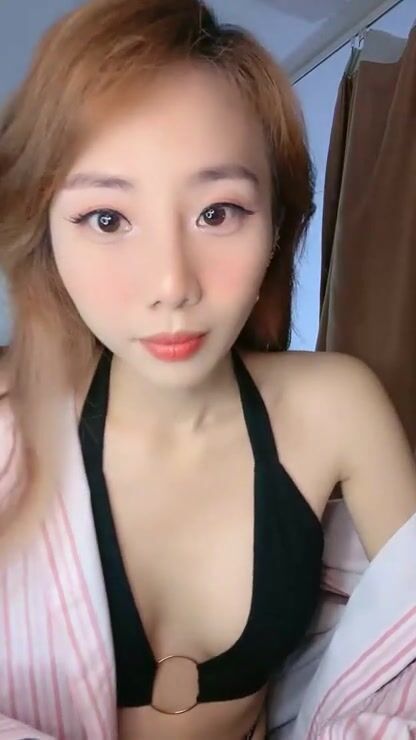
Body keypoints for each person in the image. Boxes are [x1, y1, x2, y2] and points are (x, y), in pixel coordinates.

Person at [0, 1, 415, 739]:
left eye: (217, 213)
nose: (172, 284)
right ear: (46, 238)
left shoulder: (334, 407)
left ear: (278, 224)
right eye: (107, 219)